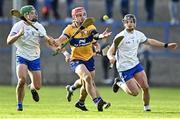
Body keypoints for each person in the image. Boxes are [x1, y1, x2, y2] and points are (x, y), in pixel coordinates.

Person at [107, 14, 177, 111]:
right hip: (124, 68)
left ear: (135, 23)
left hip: (136, 65)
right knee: (135, 93)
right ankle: (119, 83)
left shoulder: (138, 34)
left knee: (146, 87)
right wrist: (111, 57)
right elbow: (109, 52)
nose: (130, 24)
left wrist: (166, 45)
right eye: (127, 22)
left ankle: (147, 108)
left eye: (132, 22)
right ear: (124, 24)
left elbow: (150, 41)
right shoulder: (120, 36)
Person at [55, 7, 111, 111]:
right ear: (74, 17)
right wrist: (64, 52)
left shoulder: (89, 26)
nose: (82, 17)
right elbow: (59, 41)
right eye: (79, 15)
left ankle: (79, 99)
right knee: (88, 78)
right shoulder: (69, 29)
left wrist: (101, 37)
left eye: (84, 15)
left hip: (89, 59)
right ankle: (97, 101)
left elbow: (96, 37)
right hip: (76, 59)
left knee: (86, 82)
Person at [6, 5, 56, 111]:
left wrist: (53, 44)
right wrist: (19, 34)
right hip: (22, 56)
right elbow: (9, 41)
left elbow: (48, 41)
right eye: (33, 13)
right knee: (21, 80)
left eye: (35, 12)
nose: (35, 14)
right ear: (26, 15)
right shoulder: (17, 26)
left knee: (37, 86)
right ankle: (19, 104)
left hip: (34, 57)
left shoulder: (39, 26)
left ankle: (32, 88)